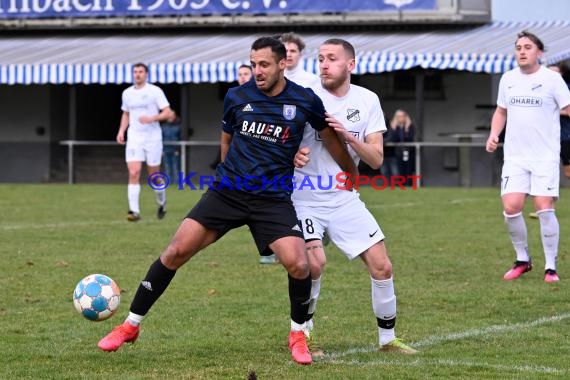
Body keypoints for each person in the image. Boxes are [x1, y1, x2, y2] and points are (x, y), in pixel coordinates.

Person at [97, 37, 358, 366]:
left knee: (300, 264)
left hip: (272, 199)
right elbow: (227, 137)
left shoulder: (305, 100)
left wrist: (349, 170)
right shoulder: (237, 97)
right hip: (227, 193)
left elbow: (329, 137)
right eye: (253, 64)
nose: (257, 71)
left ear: (282, 64)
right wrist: (224, 173)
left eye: (264, 64)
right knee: (175, 251)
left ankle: (297, 334)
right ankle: (130, 325)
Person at [292, 38, 417, 358]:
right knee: (314, 264)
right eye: (320, 58)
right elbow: (279, 141)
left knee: (382, 265)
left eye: (331, 58)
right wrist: (292, 155)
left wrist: (347, 136)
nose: (323, 64)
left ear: (351, 65)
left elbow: (375, 160)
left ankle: (388, 339)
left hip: (344, 197)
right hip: (304, 196)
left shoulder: (368, 100)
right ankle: (302, 335)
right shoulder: (305, 97)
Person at [486, 31, 570, 283]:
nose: (522, 51)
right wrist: (493, 135)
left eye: (528, 47)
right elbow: (501, 111)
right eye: (518, 47)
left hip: (545, 157)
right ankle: (522, 260)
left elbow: (567, 107)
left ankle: (551, 267)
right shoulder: (508, 79)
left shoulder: (552, 80)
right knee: (511, 208)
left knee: (544, 208)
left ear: (539, 52)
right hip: (515, 157)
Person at [257, 32, 321, 266]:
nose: (290, 54)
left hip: (303, 149)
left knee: (298, 196)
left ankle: (312, 232)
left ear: (300, 54)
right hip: (274, 147)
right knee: (271, 195)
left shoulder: (312, 81)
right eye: (286, 51)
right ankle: (273, 247)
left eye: (294, 50)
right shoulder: (267, 81)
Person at [117, 63, 173, 222]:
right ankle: (134, 211)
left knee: (154, 176)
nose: (137, 74)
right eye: (135, 72)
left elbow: (167, 112)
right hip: (134, 136)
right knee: (134, 172)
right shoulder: (127, 93)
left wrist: (152, 118)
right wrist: (121, 131)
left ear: (146, 74)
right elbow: (126, 113)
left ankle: (162, 202)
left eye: (141, 71)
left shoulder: (154, 91)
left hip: (153, 137)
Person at [529, 63, 570, 219]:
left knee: (567, 172)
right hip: (545, 139)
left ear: (561, 74)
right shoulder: (540, 89)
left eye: (555, 72)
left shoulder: (565, 89)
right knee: (544, 173)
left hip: (565, 137)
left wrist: (554, 111)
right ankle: (545, 208)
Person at [209, 64, 253, 171]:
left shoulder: (261, 95)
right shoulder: (232, 96)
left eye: (246, 74)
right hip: (236, 145)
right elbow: (226, 130)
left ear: (253, 75)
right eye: (240, 74)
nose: (242, 77)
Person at [383, 109, 416, 183]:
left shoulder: (410, 126)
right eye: (398, 116)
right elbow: (393, 138)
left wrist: (406, 129)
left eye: (402, 116)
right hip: (397, 152)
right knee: (399, 169)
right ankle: (401, 185)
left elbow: (410, 138)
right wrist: (394, 129)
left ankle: (409, 184)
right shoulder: (394, 127)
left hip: (408, 151)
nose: (400, 118)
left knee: (408, 169)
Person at [161, 110, 181, 180]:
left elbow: (180, 138)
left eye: (172, 115)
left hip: (175, 151)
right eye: (169, 115)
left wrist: (178, 149)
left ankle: (177, 185)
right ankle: (169, 185)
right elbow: (161, 138)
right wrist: (162, 150)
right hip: (166, 150)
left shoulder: (179, 126)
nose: (170, 117)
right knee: (167, 169)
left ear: (174, 116)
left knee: (176, 168)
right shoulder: (163, 126)